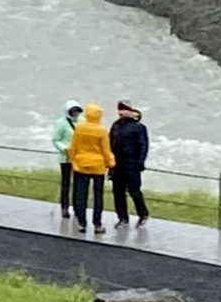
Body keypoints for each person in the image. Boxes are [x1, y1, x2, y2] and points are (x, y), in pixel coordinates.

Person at [66, 102, 115, 233]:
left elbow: (73, 147)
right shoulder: (102, 130)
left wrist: (73, 159)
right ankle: (97, 224)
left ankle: (81, 222)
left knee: (81, 194)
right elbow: (106, 150)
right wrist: (110, 163)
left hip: (81, 165)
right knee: (98, 196)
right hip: (98, 166)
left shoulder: (79, 128)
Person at [109, 101, 151, 224]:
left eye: (124, 109)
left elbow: (143, 145)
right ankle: (122, 217)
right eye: (119, 109)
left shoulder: (139, 127)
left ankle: (143, 213)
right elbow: (110, 142)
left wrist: (140, 162)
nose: (121, 112)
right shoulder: (116, 125)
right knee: (118, 191)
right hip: (117, 164)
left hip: (132, 164)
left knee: (134, 190)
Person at [51, 100, 82, 220]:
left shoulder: (82, 121)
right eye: (73, 111)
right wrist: (64, 149)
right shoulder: (61, 123)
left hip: (79, 158)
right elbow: (56, 139)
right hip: (66, 158)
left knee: (78, 184)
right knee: (66, 183)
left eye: (77, 111)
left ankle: (77, 206)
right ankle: (64, 206)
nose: (75, 113)